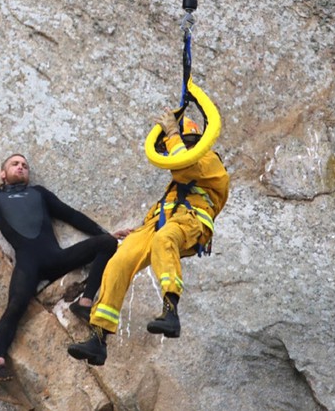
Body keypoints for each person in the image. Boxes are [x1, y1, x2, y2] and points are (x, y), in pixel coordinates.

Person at [0, 153, 129, 381]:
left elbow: (71, 215)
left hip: (58, 258)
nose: (21, 167)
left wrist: (104, 233)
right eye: (15, 164)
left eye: (25, 166)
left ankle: (85, 302)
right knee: (14, 307)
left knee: (107, 244)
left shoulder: (39, 193)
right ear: (3, 173)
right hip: (29, 266)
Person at [67, 108, 230, 366]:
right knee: (120, 261)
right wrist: (140, 228)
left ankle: (170, 312)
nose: (176, 147)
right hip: (158, 223)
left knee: (164, 240)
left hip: (191, 222)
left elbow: (183, 169)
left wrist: (172, 133)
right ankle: (98, 338)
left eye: (182, 142)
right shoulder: (178, 182)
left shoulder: (211, 162)